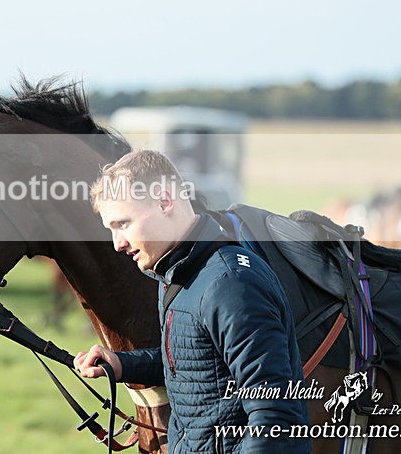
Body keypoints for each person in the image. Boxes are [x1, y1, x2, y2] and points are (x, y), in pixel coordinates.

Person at [74, 150, 310, 454]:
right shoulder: (178, 274)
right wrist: (122, 364)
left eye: (123, 224)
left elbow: (276, 418)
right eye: (111, 229)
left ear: (164, 202)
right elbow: (196, 367)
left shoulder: (231, 284)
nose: (117, 243)